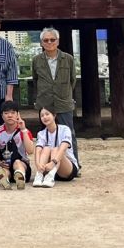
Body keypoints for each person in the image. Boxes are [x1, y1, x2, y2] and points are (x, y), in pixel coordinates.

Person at [31, 26, 79, 163]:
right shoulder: (36, 60)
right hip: (45, 103)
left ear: (57, 41)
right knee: (45, 135)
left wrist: (64, 93)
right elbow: (35, 80)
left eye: (52, 39)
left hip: (63, 102)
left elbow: (72, 80)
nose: (49, 42)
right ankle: (45, 164)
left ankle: (73, 164)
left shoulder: (68, 59)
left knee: (69, 133)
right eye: (46, 40)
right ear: (41, 43)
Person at [0, 100, 36, 190]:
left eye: (13, 113)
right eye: (6, 113)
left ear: (17, 115)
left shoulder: (24, 131)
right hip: (5, 164)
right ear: (2, 116)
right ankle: (4, 179)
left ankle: (20, 177)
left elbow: (30, 151)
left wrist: (23, 129)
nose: (10, 115)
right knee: (4, 170)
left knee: (17, 163)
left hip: (22, 163)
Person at [33, 106, 80, 187]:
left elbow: (63, 148)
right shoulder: (41, 133)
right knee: (46, 148)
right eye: (42, 115)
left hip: (67, 169)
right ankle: (39, 175)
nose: (45, 117)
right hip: (48, 168)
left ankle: (51, 176)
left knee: (56, 149)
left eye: (47, 114)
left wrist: (53, 163)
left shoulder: (65, 129)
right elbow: (38, 150)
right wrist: (37, 164)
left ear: (54, 115)